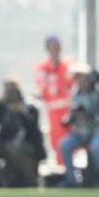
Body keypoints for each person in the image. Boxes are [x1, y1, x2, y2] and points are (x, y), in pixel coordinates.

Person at [58, 65, 99, 186]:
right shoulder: (76, 94)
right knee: (64, 145)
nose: (81, 82)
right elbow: (72, 116)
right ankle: (72, 180)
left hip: (97, 132)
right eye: (79, 79)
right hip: (80, 132)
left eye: (84, 79)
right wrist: (72, 118)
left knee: (97, 147)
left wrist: (91, 116)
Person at [0, 78, 47, 187]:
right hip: (7, 144)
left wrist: (21, 112)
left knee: (15, 148)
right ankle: (2, 180)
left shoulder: (30, 106)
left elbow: (33, 128)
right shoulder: (4, 107)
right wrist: (2, 103)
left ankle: (33, 181)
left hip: (27, 146)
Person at [34, 36, 74, 167]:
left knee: (71, 139)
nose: (54, 50)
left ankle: (70, 169)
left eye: (56, 47)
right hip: (53, 111)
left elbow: (72, 85)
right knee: (56, 140)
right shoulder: (43, 68)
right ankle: (61, 168)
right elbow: (43, 89)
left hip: (68, 109)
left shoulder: (68, 65)